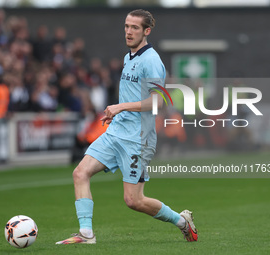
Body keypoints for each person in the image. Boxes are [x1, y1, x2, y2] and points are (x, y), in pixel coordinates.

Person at [56, 9, 198, 245]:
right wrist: (119, 114)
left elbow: (158, 102)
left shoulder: (152, 61)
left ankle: (182, 221)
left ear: (147, 31)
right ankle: (86, 234)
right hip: (116, 133)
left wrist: (121, 107)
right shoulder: (128, 57)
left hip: (137, 139)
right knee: (80, 173)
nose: (129, 32)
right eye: (126, 26)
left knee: (134, 201)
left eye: (134, 27)